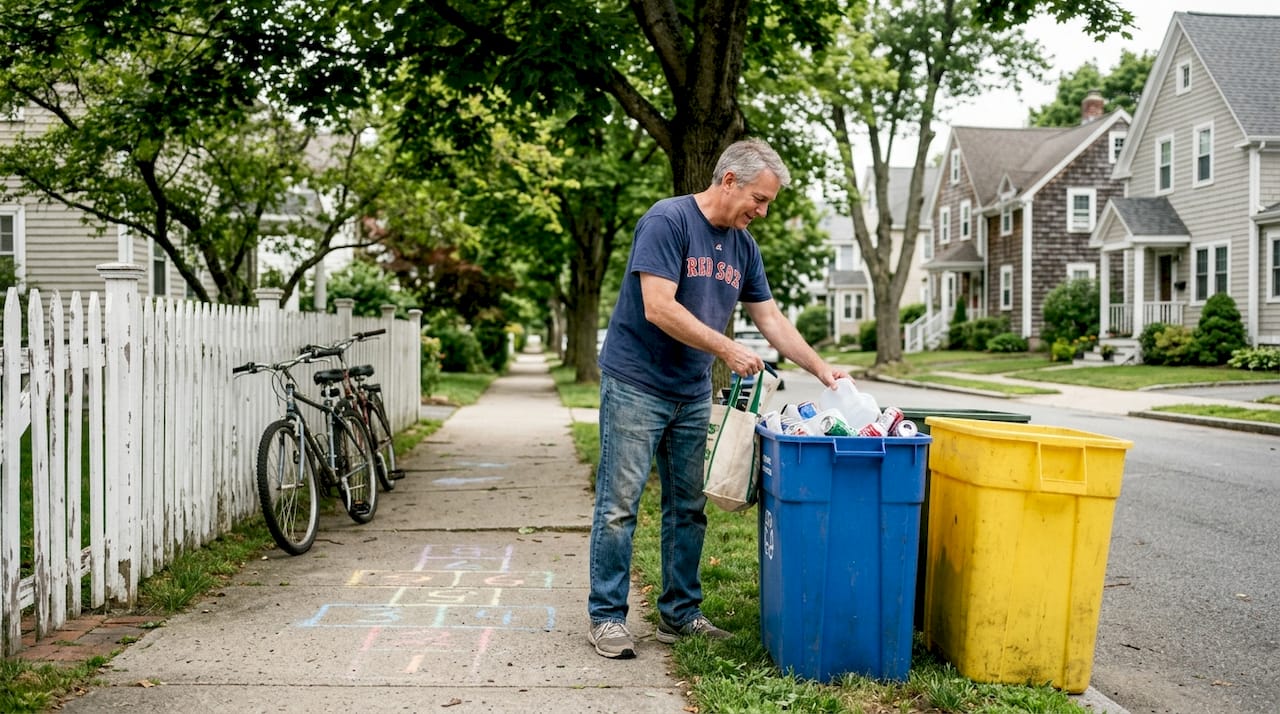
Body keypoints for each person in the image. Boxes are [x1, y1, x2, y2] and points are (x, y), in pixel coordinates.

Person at [587, 138, 849, 659]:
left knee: (688, 507)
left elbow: (769, 317)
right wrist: (727, 348)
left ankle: (680, 615)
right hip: (636, 384)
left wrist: (822, 370)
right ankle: (607, 617)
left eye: (769, 202)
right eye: (759, 198)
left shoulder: (743, 246)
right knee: (620, 506)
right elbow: (658, 307)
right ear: (728, 180)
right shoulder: (669, 221)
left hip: (690, 391)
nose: (763, 211)